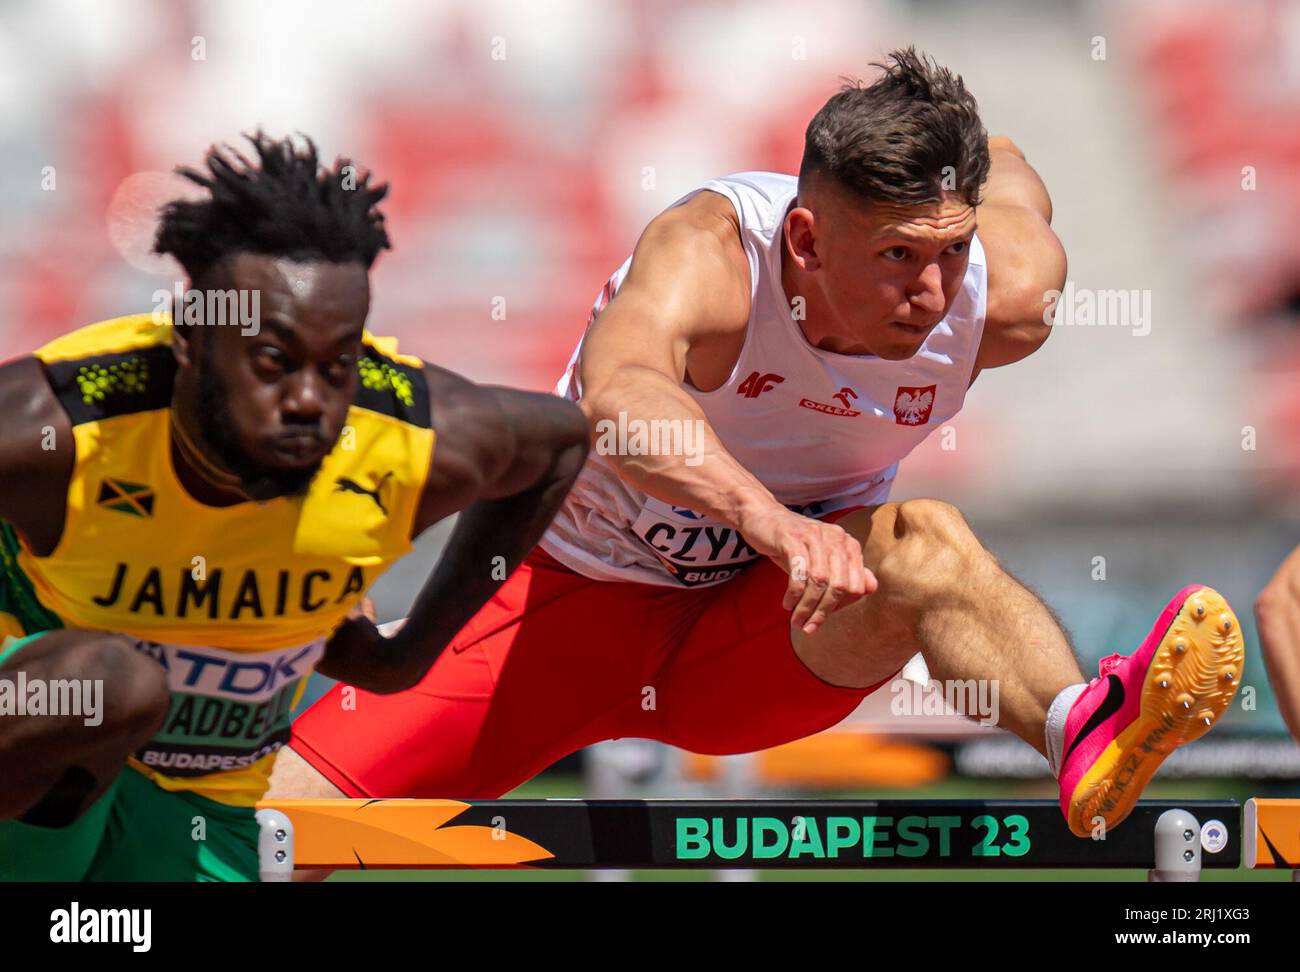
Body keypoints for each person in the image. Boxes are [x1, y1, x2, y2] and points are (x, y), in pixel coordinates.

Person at [273, 49, 1245, 844]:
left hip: (769, 631)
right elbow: (621, 398)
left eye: (949, 250)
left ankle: (1080, 729)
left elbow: (1007, 166)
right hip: (558, 611)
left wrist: (960, 165)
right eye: (896, 258)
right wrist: (768, 520)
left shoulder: (1009, 292)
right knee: (257, 840)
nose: (932, 294)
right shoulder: (709, 252)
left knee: (929, 538)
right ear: (809, 241)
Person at [0, 133, 589, 880]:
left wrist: (404, 659)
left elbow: (561, 442)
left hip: (201, 820)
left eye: (338, 364)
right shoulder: (56, 429)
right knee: (112, 683)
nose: (310, 401)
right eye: (274, 362)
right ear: (191, 336)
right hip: (31, 789)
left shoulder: (410, 440)